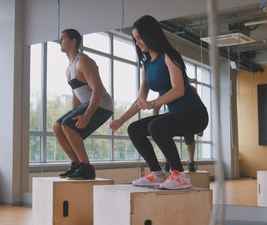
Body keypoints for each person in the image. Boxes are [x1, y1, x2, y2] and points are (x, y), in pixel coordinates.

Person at [110, 15, 209, 189]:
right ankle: (156, 173)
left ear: (151, 35)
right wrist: (121, 120)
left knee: (156, 126)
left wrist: (153, 103)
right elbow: (140, 100)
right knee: (134, 129)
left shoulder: (170, 56)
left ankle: (180, 175)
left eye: (140, 37)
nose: (138, 42)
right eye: (135, 39)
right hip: (176, 115)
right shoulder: (146, 65)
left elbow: (178, 90)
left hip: (195, 114)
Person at [54, 29, 113, 180]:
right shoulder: (69, 68)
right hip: (87, 103)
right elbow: (76, 94)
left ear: (73, 41)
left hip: (102, 104)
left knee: (67, 125)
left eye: (63, 39)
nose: (59, 41)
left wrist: (87, 115)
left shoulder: (83, 61)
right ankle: (76, 165)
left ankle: (87, 168)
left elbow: (98, 89)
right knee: (58, 126)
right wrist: (74, 113)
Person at [153, 85, 203, 173]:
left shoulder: (190, 88)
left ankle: (190, 164)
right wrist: (155, 126)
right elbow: (156, 109)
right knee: (164, 137)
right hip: (172, 116)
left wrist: (200, 127)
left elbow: (199, 107)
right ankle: (166, 163)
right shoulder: (166, 89)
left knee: (189, 138)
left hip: (186, 116)